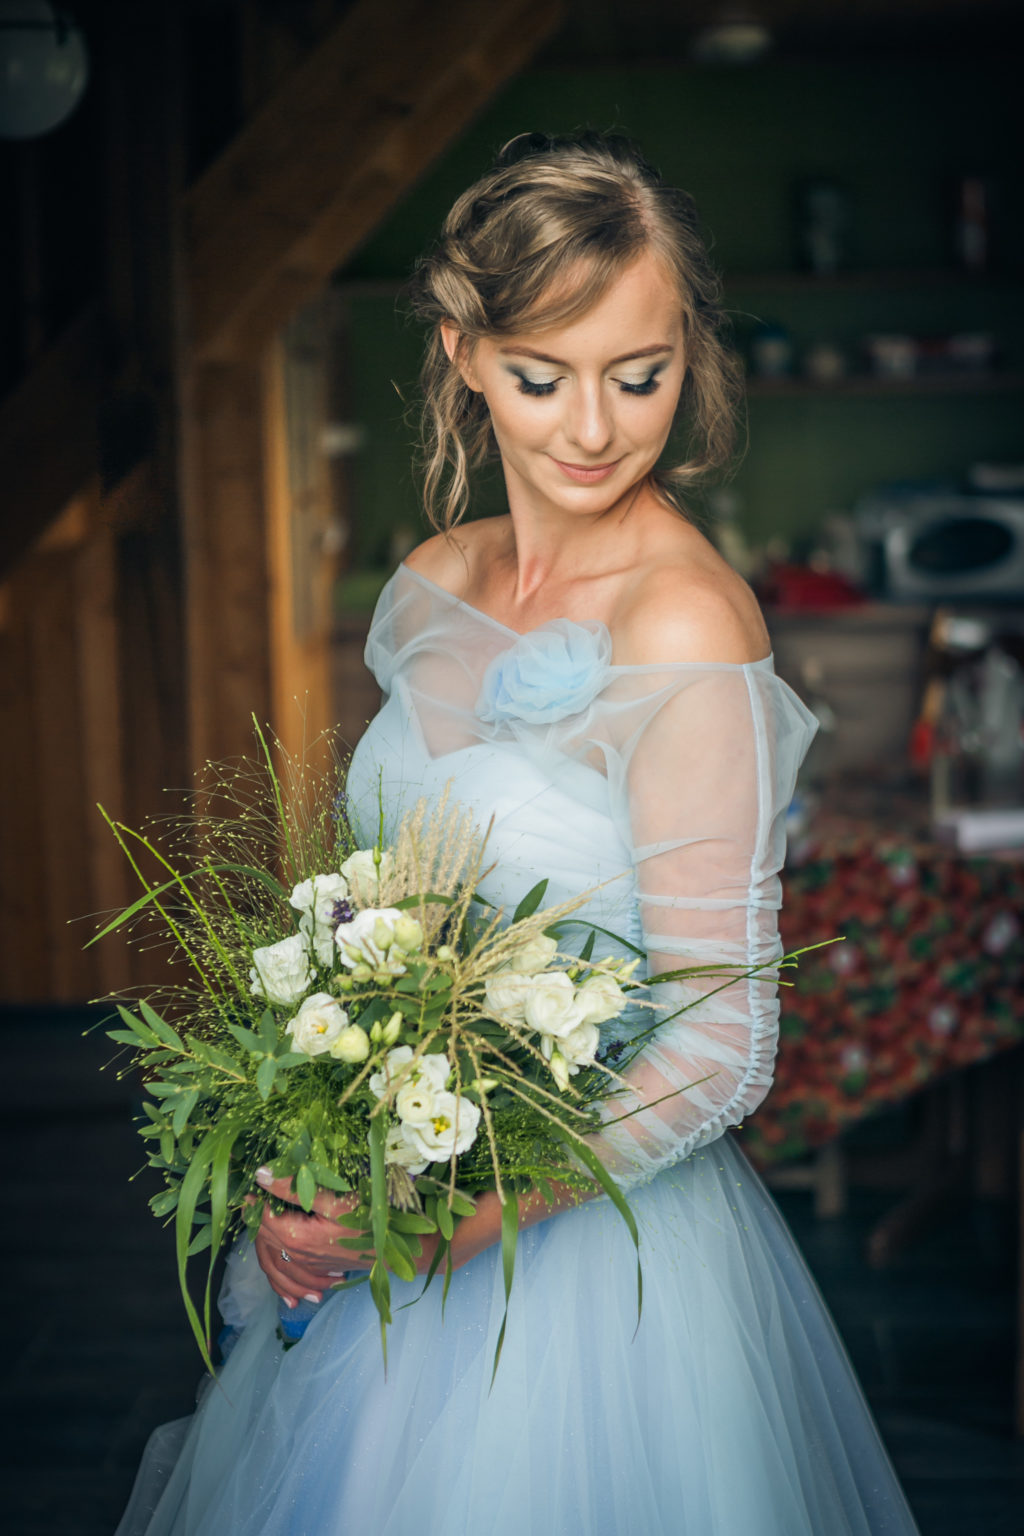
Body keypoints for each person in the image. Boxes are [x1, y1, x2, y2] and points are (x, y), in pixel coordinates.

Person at [117, 130, 920, 1535]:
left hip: (582, 1286)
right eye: (545, 378)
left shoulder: (684, 621)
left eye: (642, 374)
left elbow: (723, 1046)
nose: (597, 428)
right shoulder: (429, 585)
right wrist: (306, 1161)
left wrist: (455, 1224)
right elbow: (369, 929)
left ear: (691, 354)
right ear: (465, 354)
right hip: (384, 1230)